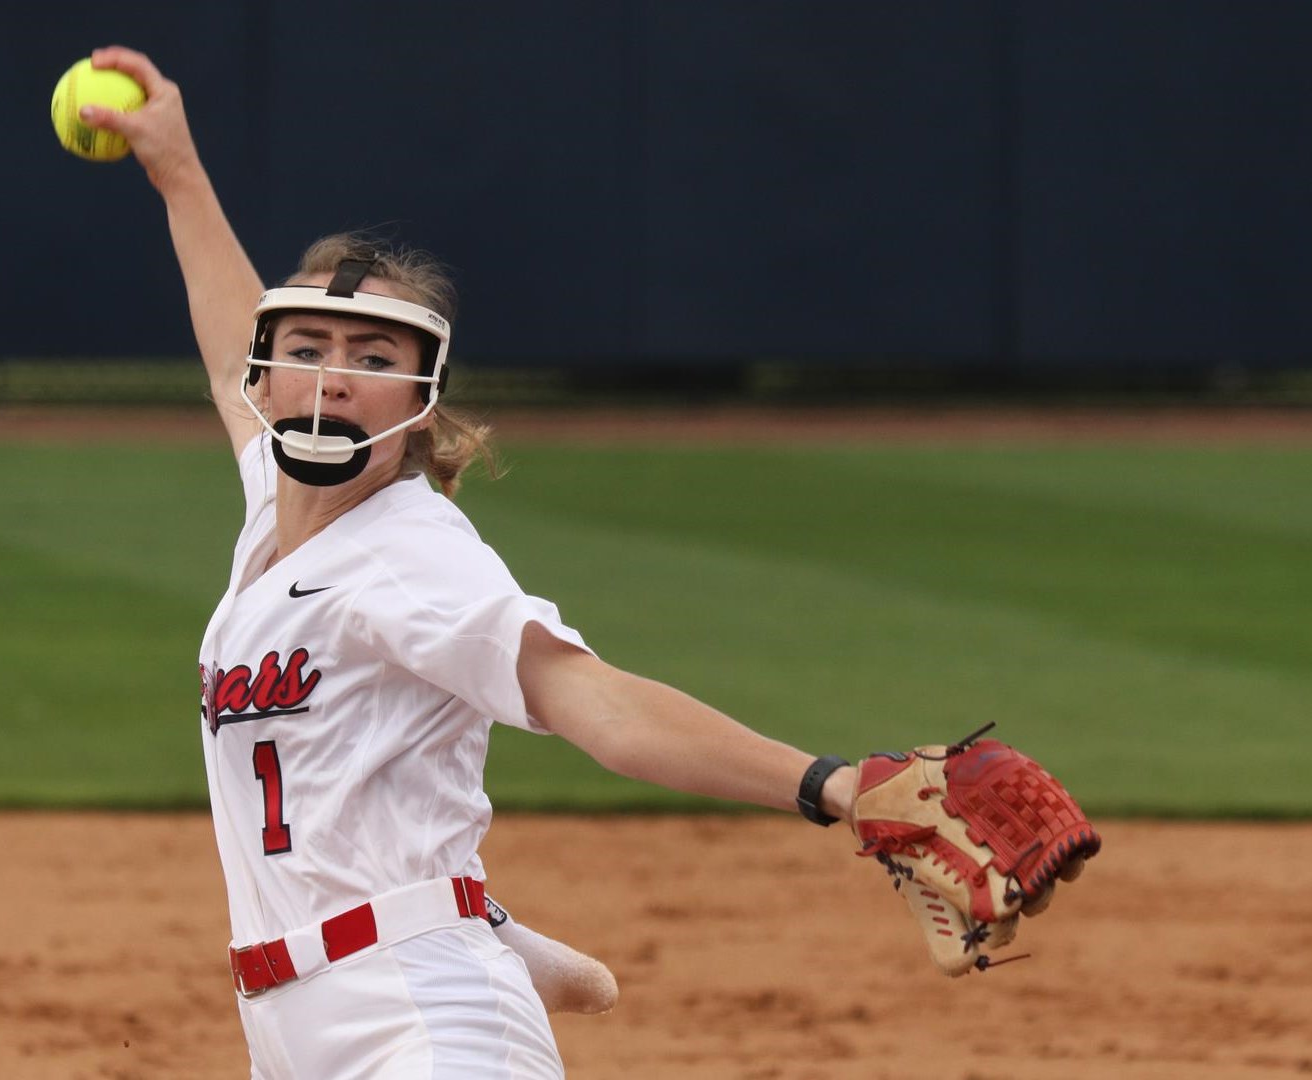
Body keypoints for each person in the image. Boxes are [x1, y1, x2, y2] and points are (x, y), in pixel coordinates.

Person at [79, 45, 1093, 1079]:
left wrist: (834, 786)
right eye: (307, 349)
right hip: (293, 1032)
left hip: (416, 1024)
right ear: (268, 376)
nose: (334, 379)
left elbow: (596, 705)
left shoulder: (408, 553)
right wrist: (178, 171)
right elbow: (228, 346)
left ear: (419, 402)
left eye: (374, 358)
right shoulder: (278, 515)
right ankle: (476, 917)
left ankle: (471, 927)